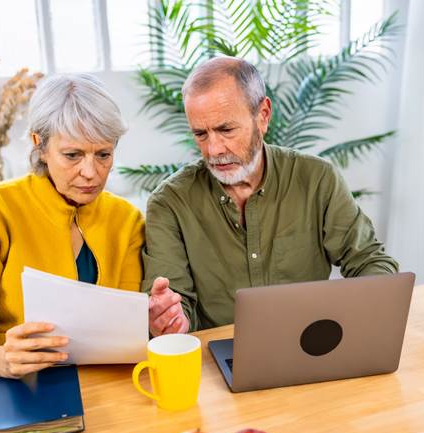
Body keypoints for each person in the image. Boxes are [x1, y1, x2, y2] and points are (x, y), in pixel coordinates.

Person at [144, 57, 398, 334]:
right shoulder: (169, 203)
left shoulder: (316, 179)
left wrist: (364, 307)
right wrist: (170, 320)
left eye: (226, 129)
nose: (213, 149)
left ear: (263, 115)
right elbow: (176, 306)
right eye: (200, 134)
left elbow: (370, 261)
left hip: (310, 345)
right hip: (218, 358)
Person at [0, 73, 144, 379]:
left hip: (101, 387)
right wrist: (1, 359)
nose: (91, 172)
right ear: (39, 144)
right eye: (72, 155)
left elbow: (125, 335)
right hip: (9, 388)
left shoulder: (126, 219)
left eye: (103, 154)